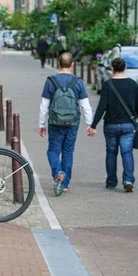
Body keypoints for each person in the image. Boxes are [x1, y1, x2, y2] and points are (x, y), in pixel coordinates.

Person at [38, 52, 94, 196]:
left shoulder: (51, 81)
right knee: (68, 152)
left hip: (55, 122)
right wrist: (90, 124)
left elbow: (44, 105)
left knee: (53, 151)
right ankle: (65, 183)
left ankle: (58, 173)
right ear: (72, 65)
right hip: (72, 123)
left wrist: (42, 124)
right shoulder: (78, 82)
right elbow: (85, 105)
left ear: (58, 63)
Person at [88, 57, 138, 192]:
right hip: (128, 125)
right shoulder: (132, 84)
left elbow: (102, 107)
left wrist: (93, 125)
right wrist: (133, 113)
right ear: (125, 68)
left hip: (111, 125)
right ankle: (128, 179)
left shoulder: (108, 85)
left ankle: (111, 181)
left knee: (111, 153)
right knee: (127, 152)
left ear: (112, 68)